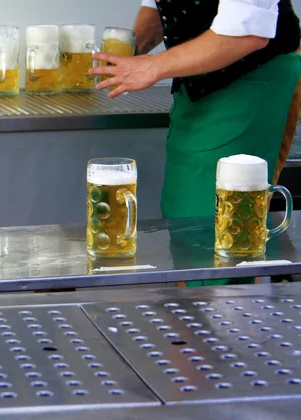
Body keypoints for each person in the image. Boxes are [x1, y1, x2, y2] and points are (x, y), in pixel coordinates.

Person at [90, 0, 301, 286]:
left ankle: (225, 321)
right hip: (196, 84)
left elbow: (248, 32)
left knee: (220, 225)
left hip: (253, 76)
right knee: (183, 217)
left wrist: (150, 67)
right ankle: (193, 318)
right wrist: (131, 50)